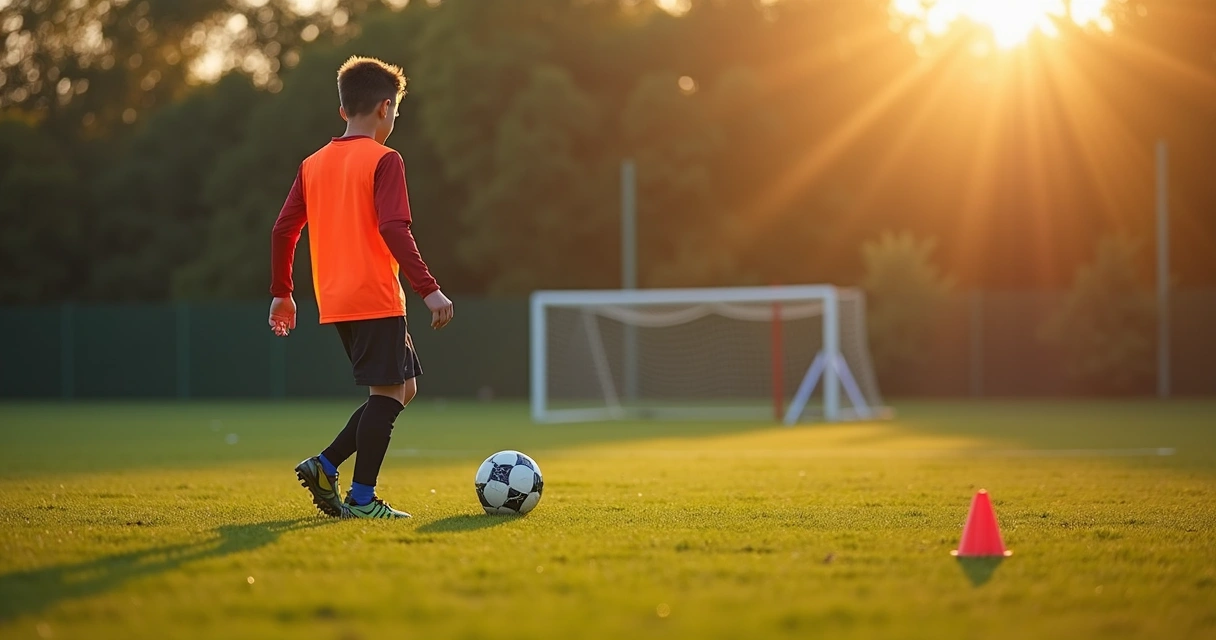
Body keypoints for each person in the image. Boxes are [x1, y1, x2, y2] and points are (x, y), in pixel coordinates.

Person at [267, 55, 453, 520]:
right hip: (374, 294)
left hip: (336, 300)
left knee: (402, 389)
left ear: (343, 110)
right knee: (388, 395)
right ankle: (362, 497)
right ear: (386, 108)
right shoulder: (385, 159)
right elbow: (394, 228)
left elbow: (283, 230)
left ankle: (325, 465)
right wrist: (429, 289)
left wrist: (283, 292)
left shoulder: (313, 164)